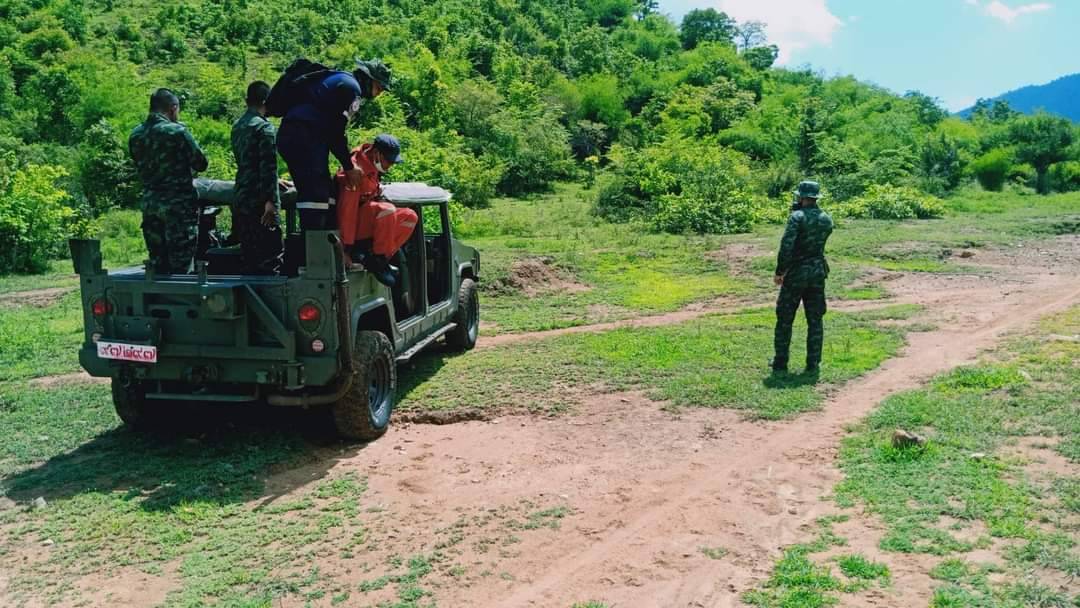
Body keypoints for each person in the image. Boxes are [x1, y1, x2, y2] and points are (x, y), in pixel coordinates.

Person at [276, 60, 392, 230]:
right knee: (315, 194)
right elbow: (336, 133)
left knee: (327, 192)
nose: (378, 93)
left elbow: (332, 133)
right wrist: (349, 166)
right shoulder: (351, 89)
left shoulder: (341, 80)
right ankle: (312, 242)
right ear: (368, 80)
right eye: (378, 88)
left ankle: (325, 238)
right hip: (303, 138)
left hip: (300, 136)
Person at [129, 88, 208, 274]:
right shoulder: (177, 132)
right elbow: (201, 163)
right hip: (178, 207)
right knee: (181, 267)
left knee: (158, 265)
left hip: (150, 205)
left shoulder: (136, 134)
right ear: (173, 108)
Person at [334, 134, 417, 287]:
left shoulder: (373, 165)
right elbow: (347, 209)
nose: (390, 165)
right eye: (389, 161)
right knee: (387, 210)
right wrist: (345, 249)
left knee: (409, 217)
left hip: (368, 221)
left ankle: (379, 258)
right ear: (377, 153)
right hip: (354, 227)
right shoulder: (355, 170)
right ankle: (377, 261)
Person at [772, 180, 835, 375]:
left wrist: (780, 271)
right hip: (817, 272)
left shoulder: (797, 217)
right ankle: (813, 363)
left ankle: (780, 362)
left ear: (801, 196)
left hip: (796, 273)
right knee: (815, 319)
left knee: (785, 318)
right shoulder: (826, 219)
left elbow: (787, 246)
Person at [231, 80, 284, 275]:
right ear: (266, 101)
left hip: (241, 195)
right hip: (259, 201)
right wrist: (271, 202)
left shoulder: (238, 126)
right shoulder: (264, 128)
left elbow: (247, 162)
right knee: (270, 257)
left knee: (249, 256)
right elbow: (268, 167)